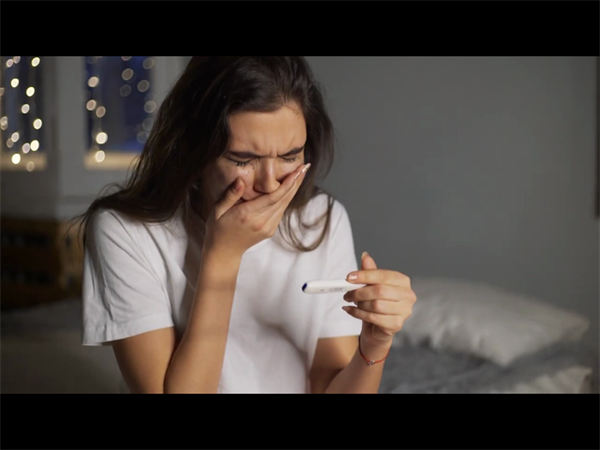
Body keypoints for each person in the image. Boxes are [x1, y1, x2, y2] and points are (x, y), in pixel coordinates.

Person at [77, 56, 416, 393]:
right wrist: (222, 256)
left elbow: (328, 386)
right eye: (243, 160)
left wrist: (374, 344)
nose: (270, 184)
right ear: (194, 150)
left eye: (290, 156)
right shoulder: (123, 230)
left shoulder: (321, 218)